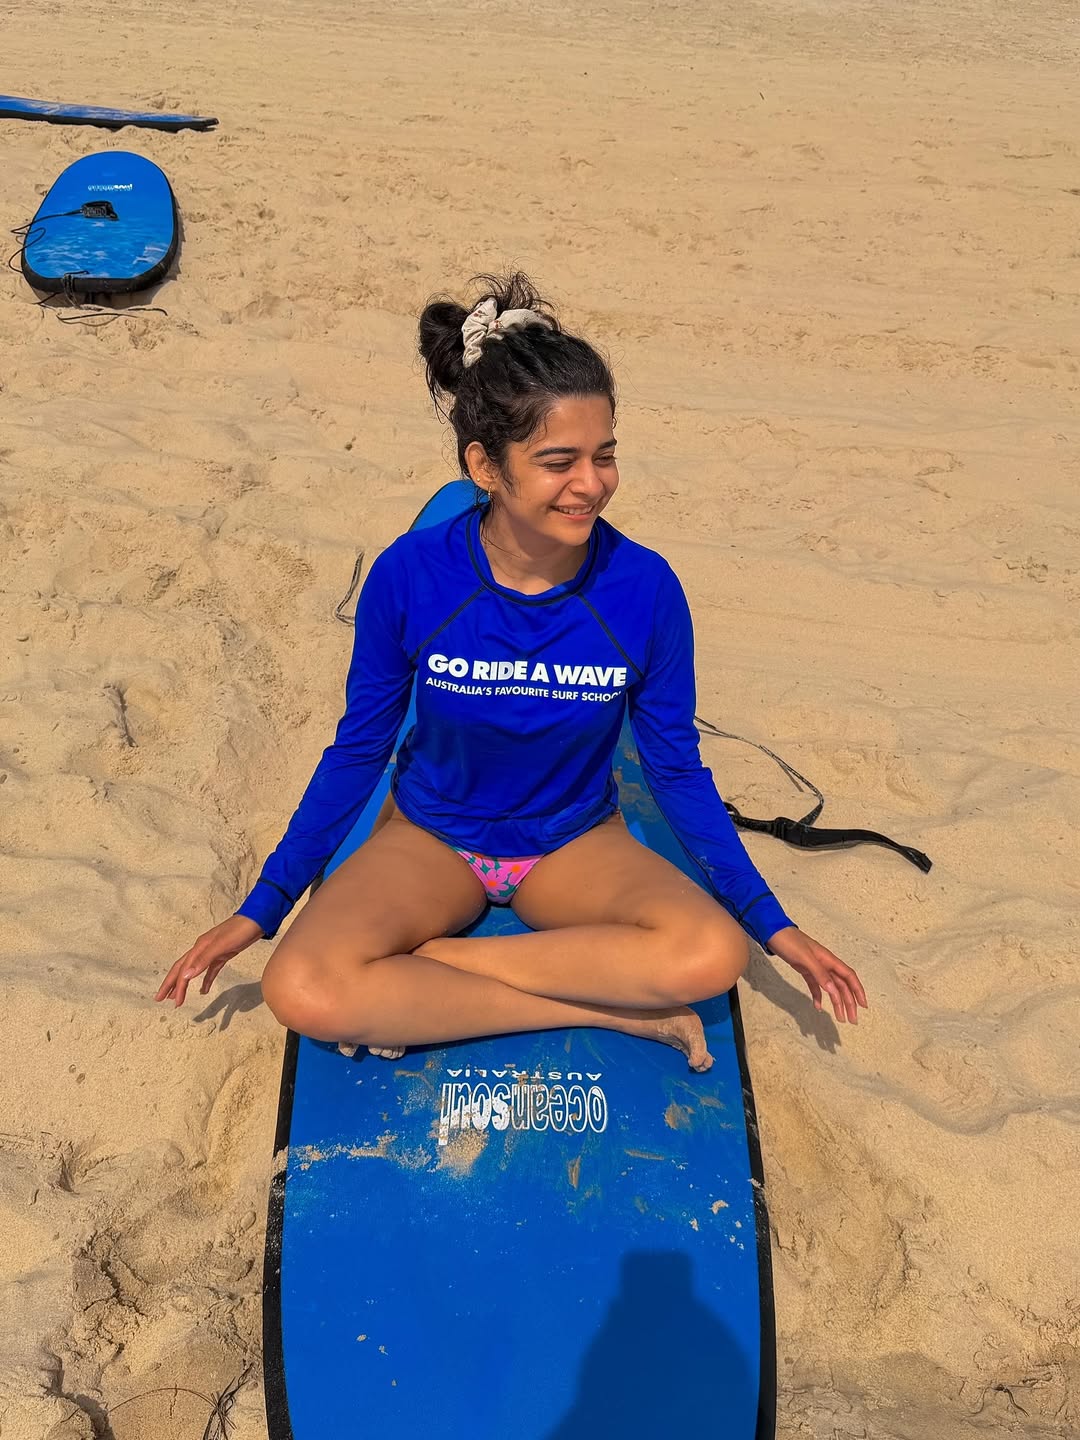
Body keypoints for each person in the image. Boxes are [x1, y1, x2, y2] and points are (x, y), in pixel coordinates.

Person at [156, 273, 867, 1070]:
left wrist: (773, 925)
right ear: (485, 466)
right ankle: (607, 1015)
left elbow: (673, 768)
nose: (591, 484)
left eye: (605, 456)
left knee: (712, 953)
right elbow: (359, 749)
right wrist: (263, 908)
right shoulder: (412, 575)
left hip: (571, 842)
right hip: (432, 837)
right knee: (300, 986)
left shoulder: (644, 589)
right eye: (559, 461)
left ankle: (444, 969)